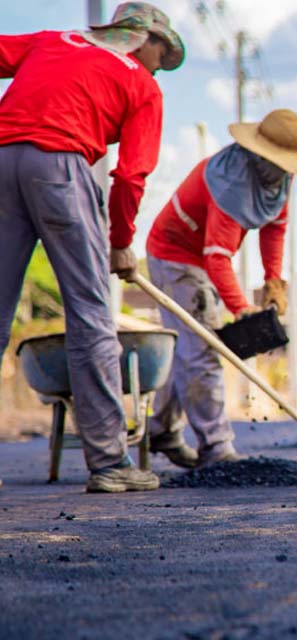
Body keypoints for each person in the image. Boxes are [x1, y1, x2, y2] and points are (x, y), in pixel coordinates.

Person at [0, 3, 184, 493]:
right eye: (160, 56)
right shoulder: (142, 84)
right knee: (91, 314)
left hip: (2, 161)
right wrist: (121, 244)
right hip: (60, 168)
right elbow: (131, 174)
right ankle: (109, 462)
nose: (157, 67)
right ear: (143, 39)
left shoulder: (53, 40)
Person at [145, 109, 297, 467]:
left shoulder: (278, 179)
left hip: (200, 258)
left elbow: (275, 228)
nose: (286, 170)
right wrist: (240, 306)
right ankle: (216, 447)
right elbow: (216, 256)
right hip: (176, 257)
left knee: (189, 347)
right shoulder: (230, 183)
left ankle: (161, 431)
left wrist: (273, 281)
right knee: (203, 351)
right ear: (260, 157)